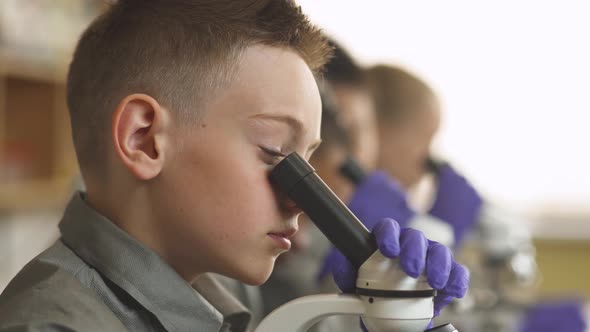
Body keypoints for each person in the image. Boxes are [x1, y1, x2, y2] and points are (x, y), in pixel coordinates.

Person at [0, 1, 468, 332]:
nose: (300, 198)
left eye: (307, 162)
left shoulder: (220, 293)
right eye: (273, 153)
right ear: (143, 139)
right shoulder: (50, 325)